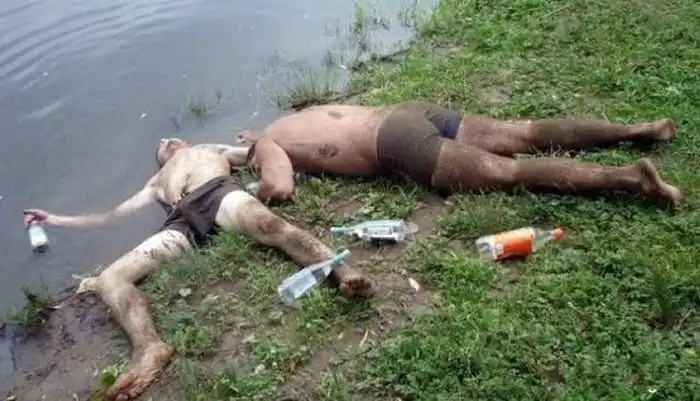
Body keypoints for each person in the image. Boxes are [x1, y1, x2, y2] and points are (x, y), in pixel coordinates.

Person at [22, 139, 375, 401]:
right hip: (181, 221)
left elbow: (262, 153)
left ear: (186, 142)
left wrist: (272, 154)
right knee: (110, 278)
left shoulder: (211, 148)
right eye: (160, 146)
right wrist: (53, 219)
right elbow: (109, 217)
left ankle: (342, 270)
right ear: (161, 159)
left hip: (218, 193)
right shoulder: (156, 182)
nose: (165, 141)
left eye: (169, 139)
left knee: (270, 226)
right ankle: (149, 348)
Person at [236, 101, 681, 207]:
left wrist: (257, 185)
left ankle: (630, 178)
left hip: (394, 142)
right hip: (410, 111)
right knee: (522, 132)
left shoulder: (267, 140)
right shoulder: (302, 115)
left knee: (508, 172)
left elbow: (280, 186)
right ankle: (640, 129)